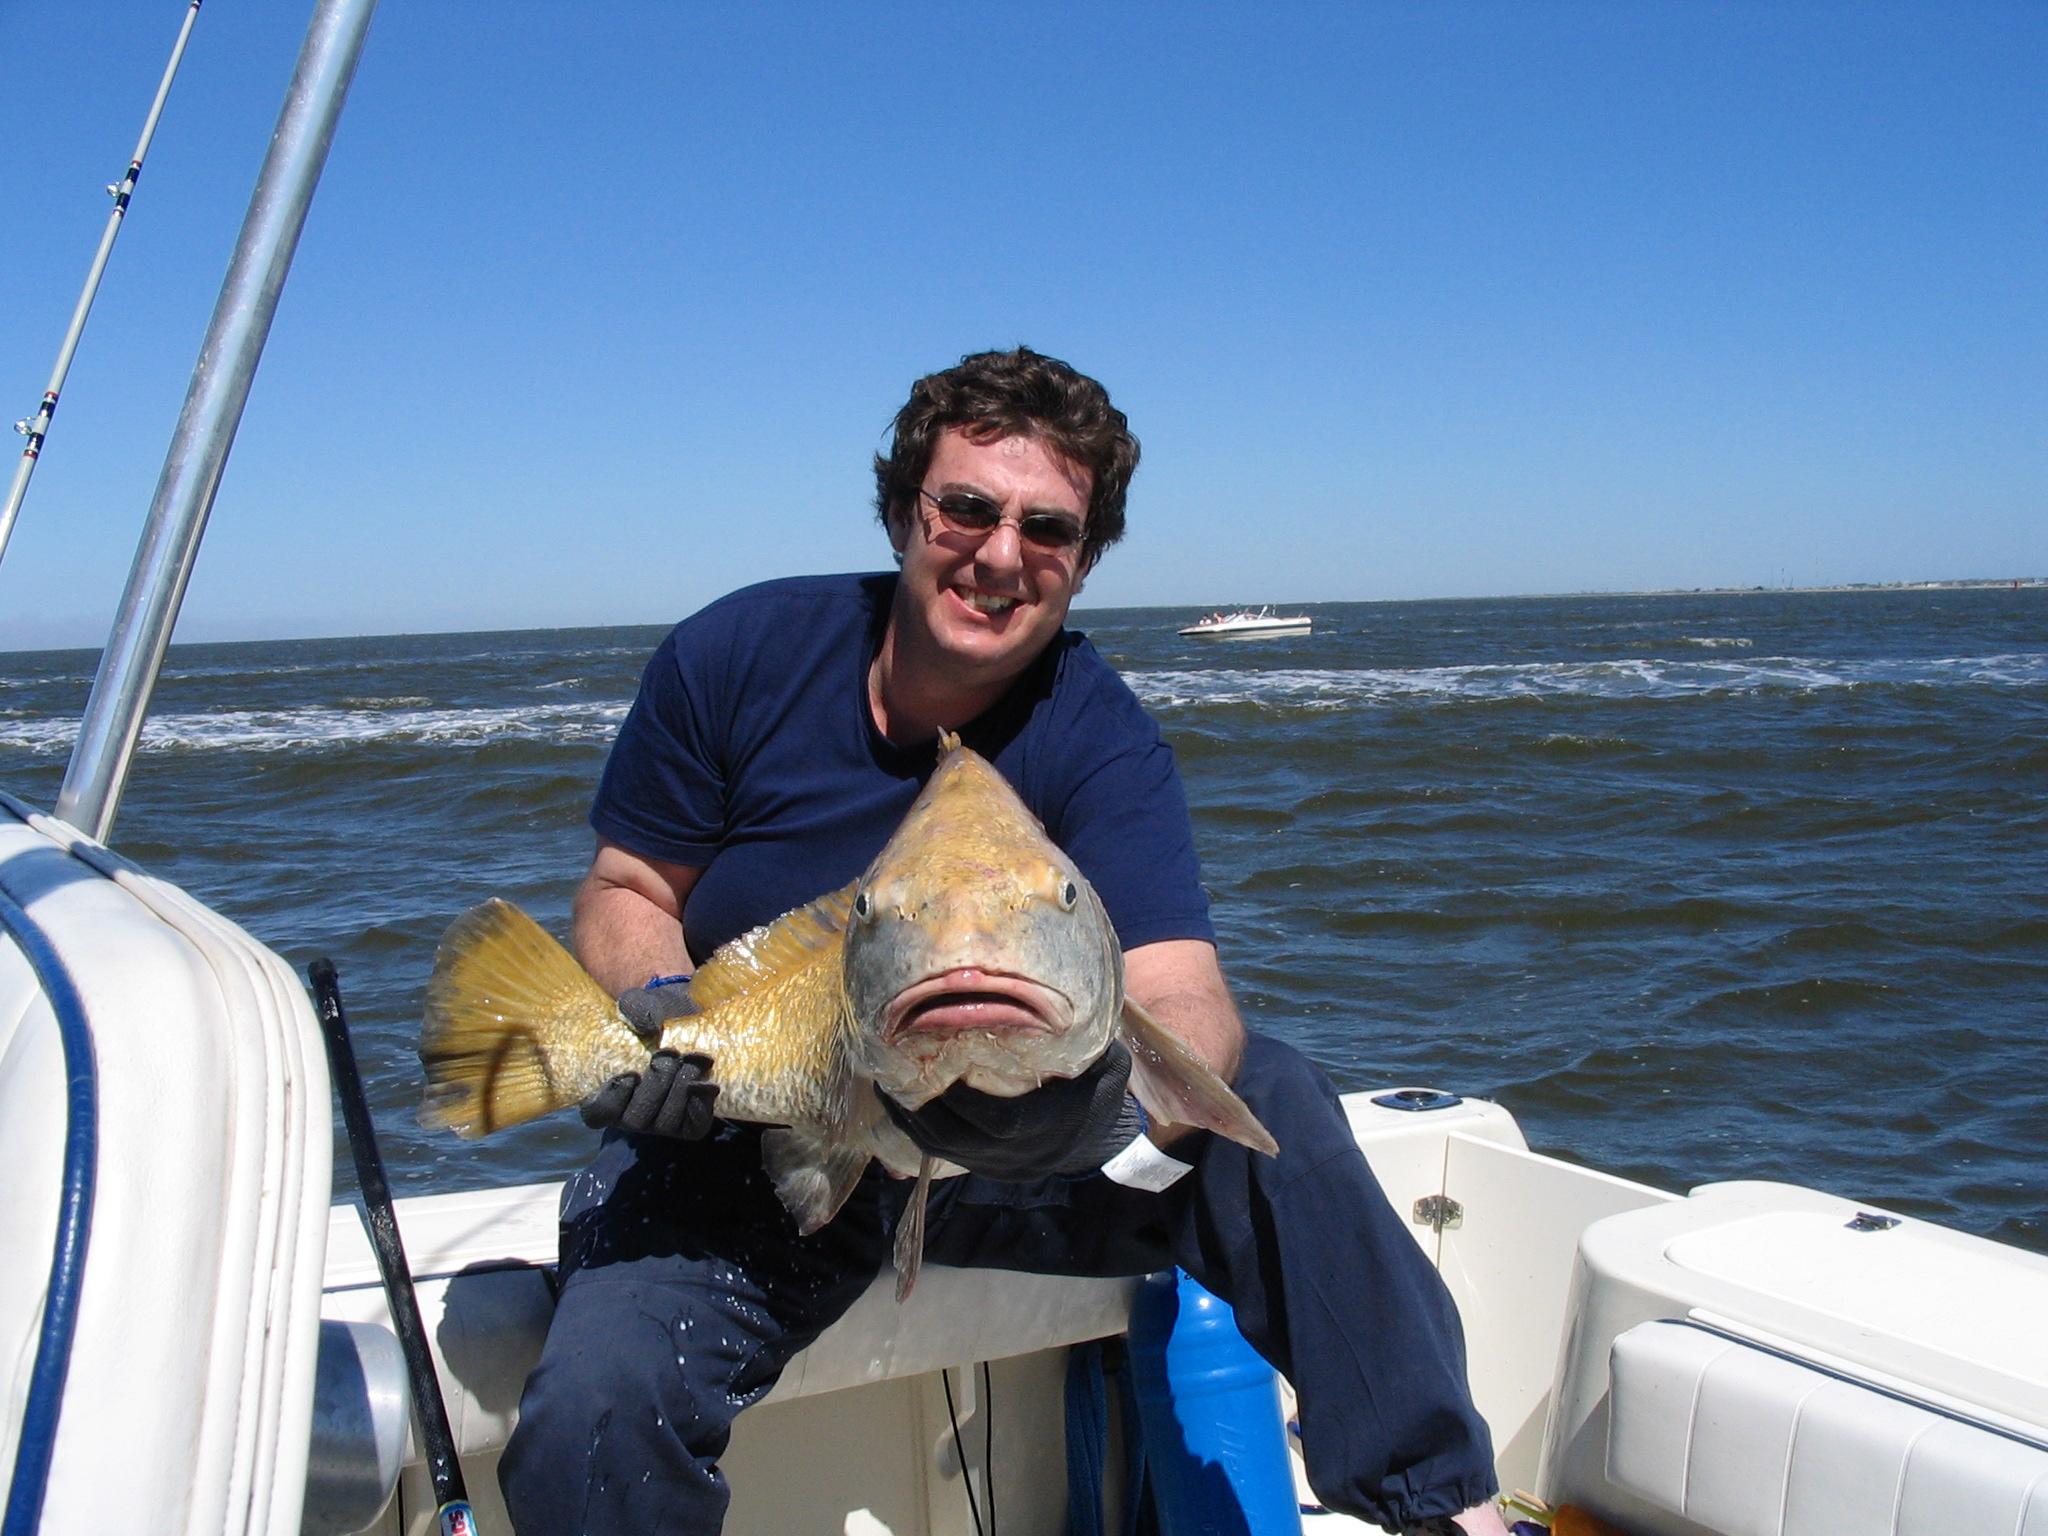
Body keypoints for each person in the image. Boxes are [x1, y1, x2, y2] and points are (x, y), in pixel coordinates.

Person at [498, 347, 1508, 1536]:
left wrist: (1075, 1108)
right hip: (753, 1138)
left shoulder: (1105, 738)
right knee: (595, 1409)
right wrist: (657, 1005)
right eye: (966, 507)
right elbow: (625, 883)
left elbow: (1182, 995)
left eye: (1048, 529)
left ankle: (1446, 1511)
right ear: (901, 511)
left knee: (1273, 1098)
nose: (998, 553)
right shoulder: (735, 656)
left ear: (1082, 561)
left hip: (1006, 1155)